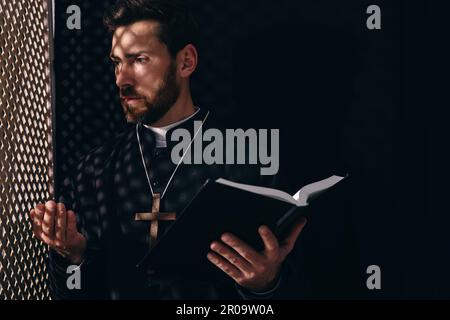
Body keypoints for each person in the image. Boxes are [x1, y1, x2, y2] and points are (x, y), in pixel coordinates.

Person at [29, 0, 307, 299]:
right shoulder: (93, 171)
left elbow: (309, 283)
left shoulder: (248, 159)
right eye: (117, 62)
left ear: (186, 62)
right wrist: (73, 257)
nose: (122, 79)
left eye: (139, 59)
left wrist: (267, 284)